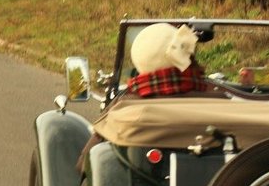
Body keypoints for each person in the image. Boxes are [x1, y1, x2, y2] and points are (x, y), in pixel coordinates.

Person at [81, 23, 224, 168]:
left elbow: (84, 164)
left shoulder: (124, 106)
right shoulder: (219, 99)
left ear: (139, 60)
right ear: (188, 56)